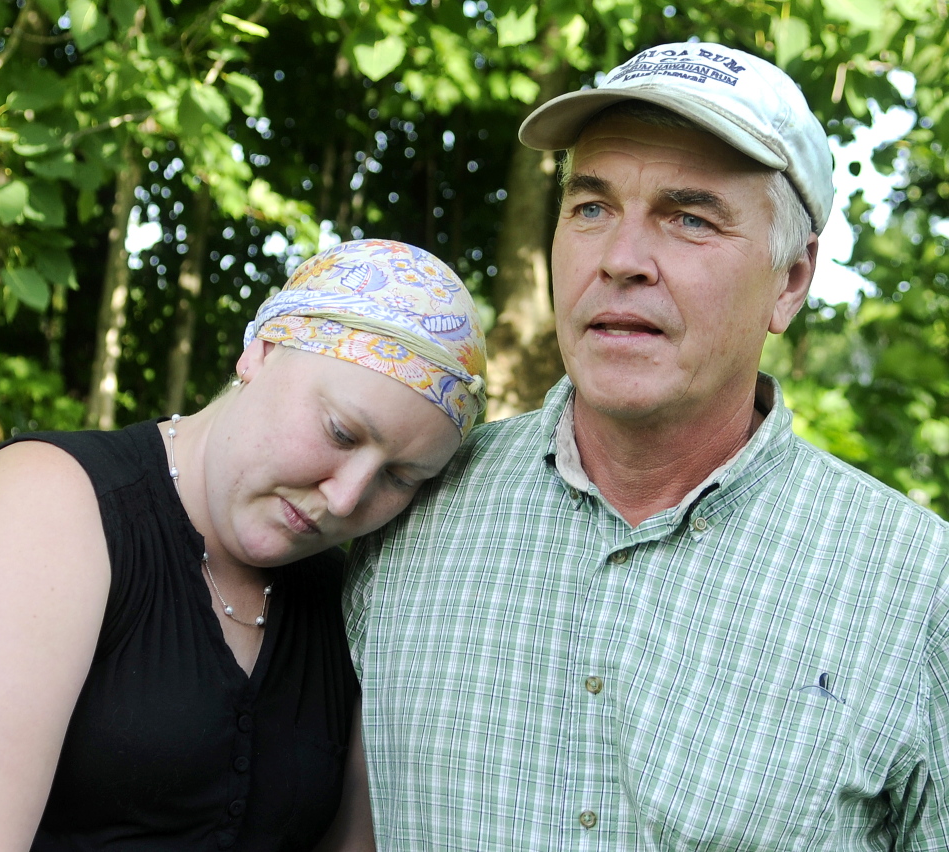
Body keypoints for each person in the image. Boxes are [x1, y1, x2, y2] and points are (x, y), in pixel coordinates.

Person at [344, 43, 949, 850]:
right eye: (590, 208)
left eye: (689, 217)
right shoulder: (395, 513)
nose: (620, 261)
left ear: (793, 280)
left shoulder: (920, 593)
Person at [0, 238, 486, 851]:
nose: (345, 499)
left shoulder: (352, 598)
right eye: (340, 432)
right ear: (259, 350)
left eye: (400, 479)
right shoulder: (49, 503)